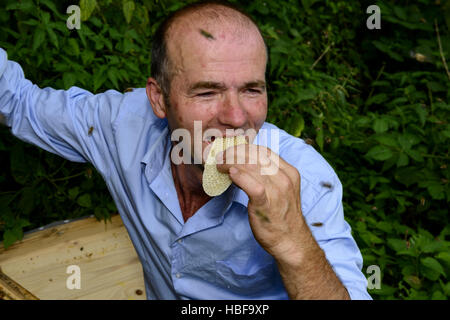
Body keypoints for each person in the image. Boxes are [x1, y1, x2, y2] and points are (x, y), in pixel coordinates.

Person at [0, 1, 372, 300]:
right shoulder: (120, 127)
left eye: (252, 90)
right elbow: (20, 102)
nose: (235, 116)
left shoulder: (304, 178)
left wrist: (296, 246)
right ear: (159, 99)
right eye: (207, 92)